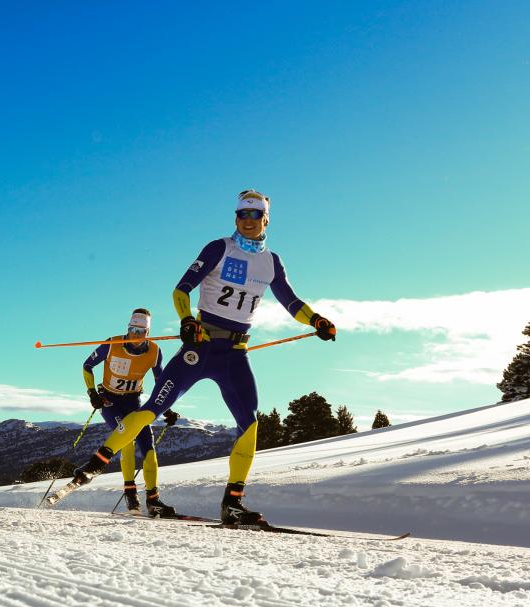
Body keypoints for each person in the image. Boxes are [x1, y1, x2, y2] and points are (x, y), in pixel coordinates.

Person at [47, 189, 336, 524]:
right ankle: (94, 466)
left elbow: (291, 301)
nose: (248, 221)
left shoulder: (271, 262)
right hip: (200, 346)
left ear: (265, 219)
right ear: (235, 217)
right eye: (242, 215)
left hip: (234, 354)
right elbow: (181, 289)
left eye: (255, 215)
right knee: (153, 408)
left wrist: (316, 320)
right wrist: (187, 320)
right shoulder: (219, 248)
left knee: (250, 425)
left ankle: (233, 504)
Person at [82, 309, 180, 516]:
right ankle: (130, 492)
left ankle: (153, 500)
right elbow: (87, 365)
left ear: (148, 332)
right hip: (110, 401)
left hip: (133, 401)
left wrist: (167, 408)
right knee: (126, 438)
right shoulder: (113, 344)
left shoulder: (154, 351)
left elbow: (160, 382)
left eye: (140, 331)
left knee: (148, 446)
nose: (135, 335)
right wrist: (92, 393)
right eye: (132, 329)